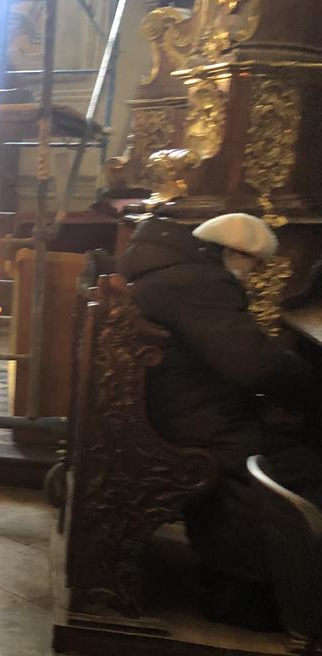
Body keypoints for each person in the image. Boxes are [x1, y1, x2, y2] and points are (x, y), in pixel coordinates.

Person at [119, 213, 322, 631]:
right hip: (198, 423)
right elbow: (251, 364)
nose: (252, 276)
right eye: (252, 264)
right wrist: (307, 382)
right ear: (231, 252)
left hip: (180, 409)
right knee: (296, 458)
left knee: (289, 437)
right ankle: (252, 586)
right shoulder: (198, 283)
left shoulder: (166, 270)